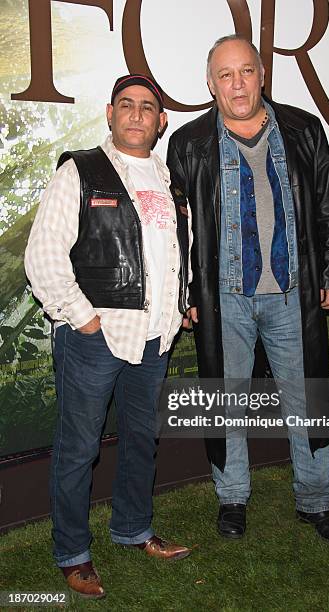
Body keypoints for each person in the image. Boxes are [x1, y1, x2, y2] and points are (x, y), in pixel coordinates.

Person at [167, 35, 329, 544]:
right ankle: (233, 498)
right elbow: (179, 232)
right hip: (225, 300)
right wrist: (187, 290)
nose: (237, 83)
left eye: (245, 71)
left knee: (308, 399)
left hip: (293, 294)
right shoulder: (188, 143)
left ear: (261, 74)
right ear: (210, 84)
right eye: (225, 75)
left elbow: (328, 207)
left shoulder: (303, 129)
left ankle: (315, 502)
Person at [25, 74, 192, 599]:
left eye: (148, 107)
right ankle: (73, 552)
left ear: (161, 121)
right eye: (128, 105)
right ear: (109, 113)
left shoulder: (170, 180)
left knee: (141, 441)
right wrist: (83, 317)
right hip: (94, 337)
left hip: (154, 338)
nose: (138, 115)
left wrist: (181, 300)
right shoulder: (79, 171)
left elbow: (168, 255)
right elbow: (44, 256)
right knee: (79, 448)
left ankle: (133, 529)